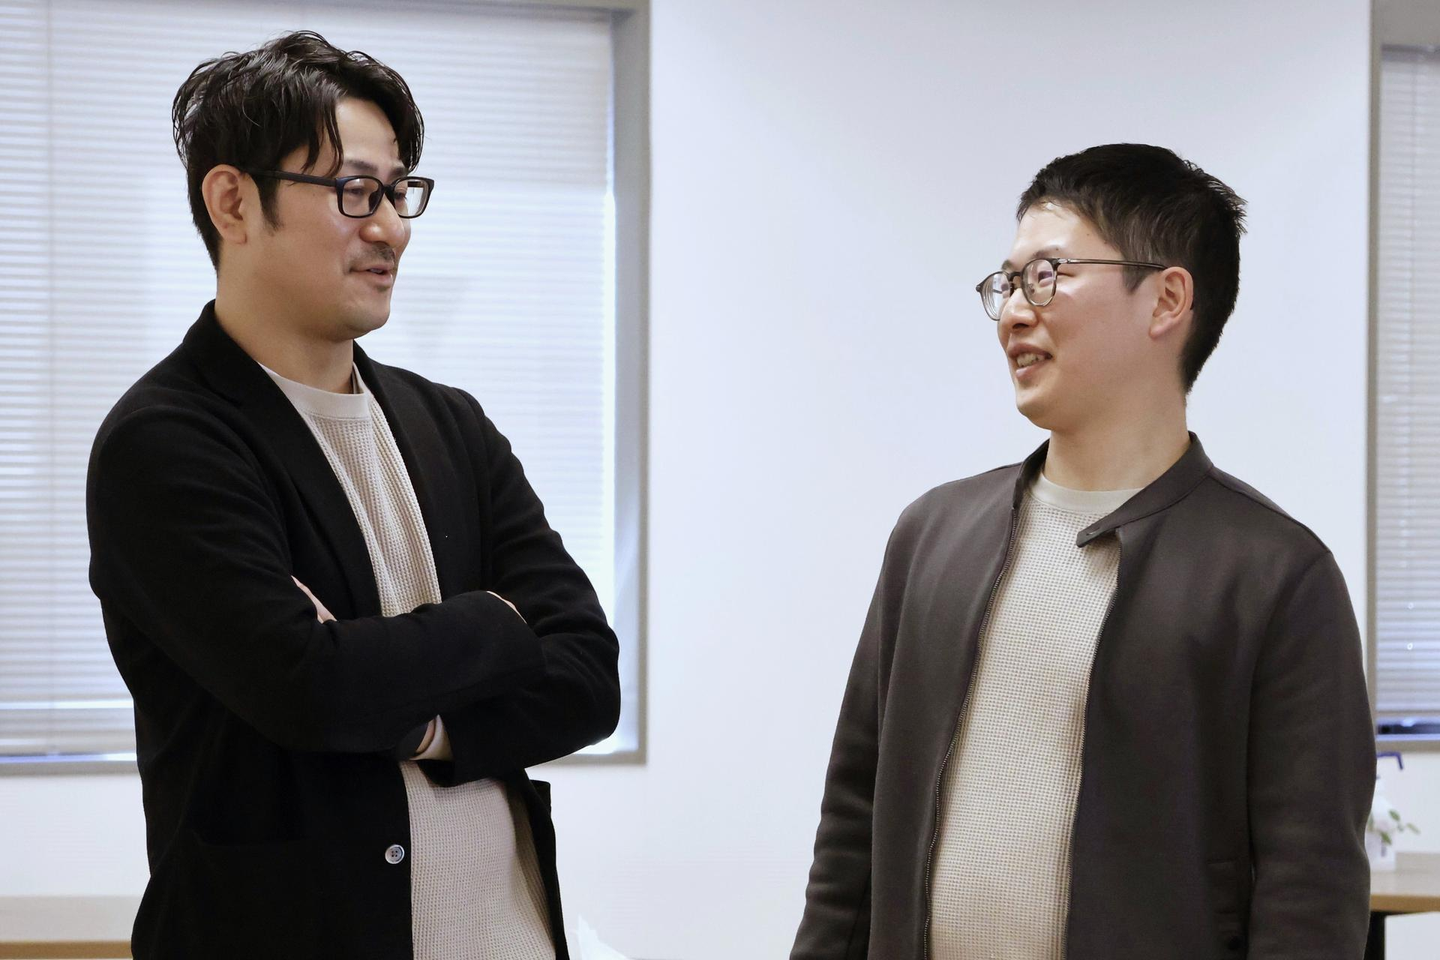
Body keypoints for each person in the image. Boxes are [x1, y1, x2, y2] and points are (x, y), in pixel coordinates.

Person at [85, 31, 619, 960]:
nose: (392, 229)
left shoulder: (451, 424)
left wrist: (413, 717)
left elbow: (588, 676)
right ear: (233, 201)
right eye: (354, 192)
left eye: (399, 192)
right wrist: (497, 625)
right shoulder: (166, 442)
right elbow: (310, 689)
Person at [791, 143, 1374, 959]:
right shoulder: (931, 536)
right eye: (1006, 284)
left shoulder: (1274, 577)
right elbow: (852, 837)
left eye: (1046, 276)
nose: (1013, 312)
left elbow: (1309, 896)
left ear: (1165, 300)